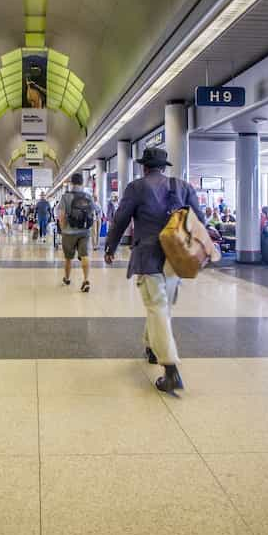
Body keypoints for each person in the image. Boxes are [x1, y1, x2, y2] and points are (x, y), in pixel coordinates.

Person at [104, 147, 204, 395]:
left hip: (149, 255)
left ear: (143, 166)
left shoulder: (136, 188)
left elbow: (121, 219)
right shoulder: (182, 186)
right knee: (163, 305)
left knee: (157, 306)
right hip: (176, 256)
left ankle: (171, 370)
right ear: (164, 166)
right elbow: (199, 219)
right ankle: (151, 347)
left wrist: (110, 247)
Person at [58, 172, 94, 292]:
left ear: (71, 183)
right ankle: (86, 280)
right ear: (82, 183)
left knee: (68, 258)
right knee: (84, 255)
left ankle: (67, 278)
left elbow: (61, 216)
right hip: (85, 231)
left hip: (69, 232)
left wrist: (63, 229)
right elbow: (95, 211)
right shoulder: (88, 197)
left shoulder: (65, 197)